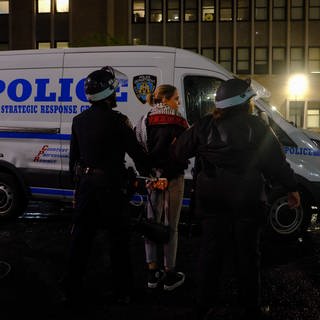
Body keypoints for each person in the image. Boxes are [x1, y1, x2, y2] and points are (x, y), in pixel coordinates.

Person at [172, 78, 301, 319]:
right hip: (247, 199)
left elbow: (179, 152)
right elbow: (276, 162)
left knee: (210, 252)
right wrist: (291, 188)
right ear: (245, 103)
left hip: (211, 200)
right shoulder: (257, 126)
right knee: (248, 254)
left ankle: (203, 304)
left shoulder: (204, 125)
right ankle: (250, 307)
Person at [62, 66, 150, 307]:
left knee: (80, 240)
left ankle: (71, 290)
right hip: (112, 189)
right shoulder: (119, 121)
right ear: (109, 94)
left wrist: (78, 190)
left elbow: (74, 162)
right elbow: (138, 155)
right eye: (115, 90)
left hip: (87, 188)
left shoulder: (78, 121)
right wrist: (151, 172)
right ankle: (123, 292)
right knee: (118, 242)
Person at [135, 84, 189, 291]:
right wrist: (165, 176)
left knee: (151, 223)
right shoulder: (180, 122)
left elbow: (137, 150)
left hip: (151, 178)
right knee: (171, 226)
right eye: (176, 98)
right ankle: (169, 274)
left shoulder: (143, 121)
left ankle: (152, 272)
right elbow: (181, 153)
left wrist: (150, 174)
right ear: (165, 100)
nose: (178, 102)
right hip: (172, 179)